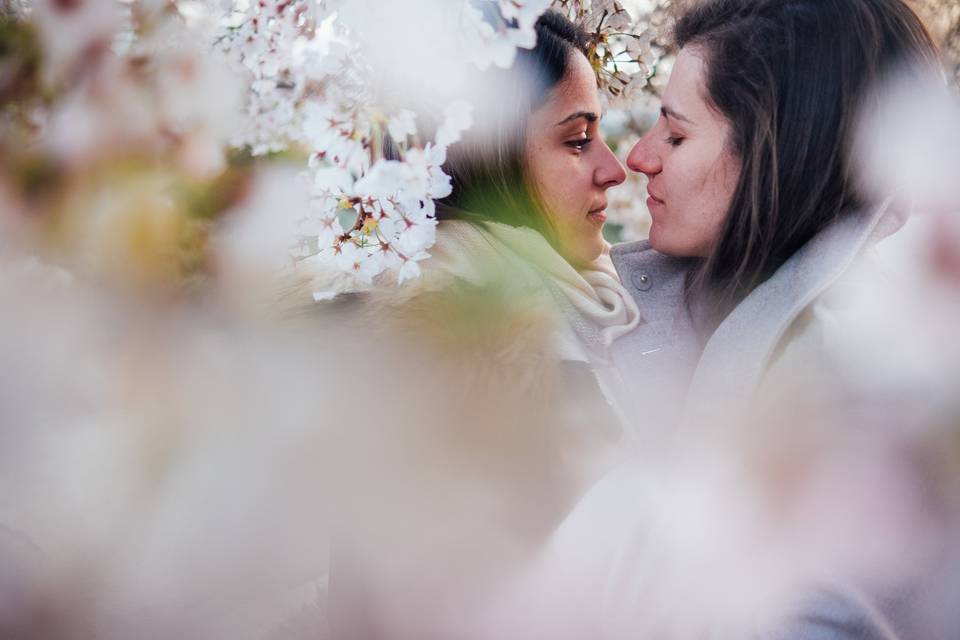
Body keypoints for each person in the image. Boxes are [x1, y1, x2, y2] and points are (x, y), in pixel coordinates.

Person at [283, 9, 643, 639]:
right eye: (578, 140)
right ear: (485, 157)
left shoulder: (557, 321)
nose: (615, 170)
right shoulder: (467, 358)